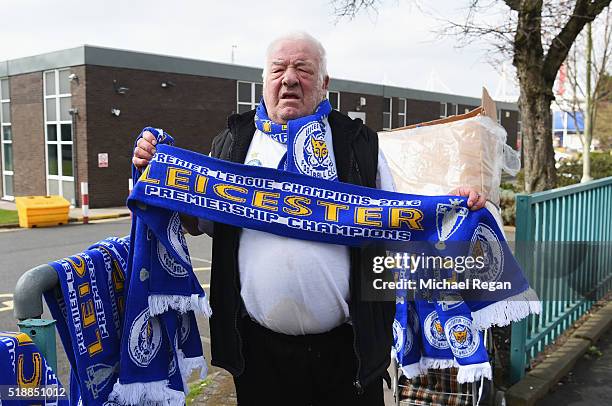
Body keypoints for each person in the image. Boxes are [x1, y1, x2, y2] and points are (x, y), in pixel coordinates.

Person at [133, 32, 486, 406]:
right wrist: (156, 171)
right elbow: (198, 223)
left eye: (302, 69)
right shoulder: (231, 142)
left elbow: (399, 222)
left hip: (347, 353)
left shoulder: (358, 143)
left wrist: (453, 209)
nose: (288, 79)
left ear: (324, 83)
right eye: (278, 69)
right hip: (258, 353)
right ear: (264, 79)